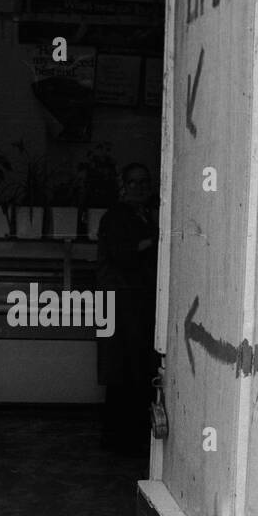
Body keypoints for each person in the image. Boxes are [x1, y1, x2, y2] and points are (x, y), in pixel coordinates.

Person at [97, 162, 159, 455]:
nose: (139, 187)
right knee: (122, 371)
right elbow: (121, 255)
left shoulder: (144, 214)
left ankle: (131, 439)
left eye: (144, 182)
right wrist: (153, 241)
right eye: (133, 182)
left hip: (135, 301)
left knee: (135, 368)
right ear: (123, 184)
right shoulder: (115, 217)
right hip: (120, 300)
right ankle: (119, 442)